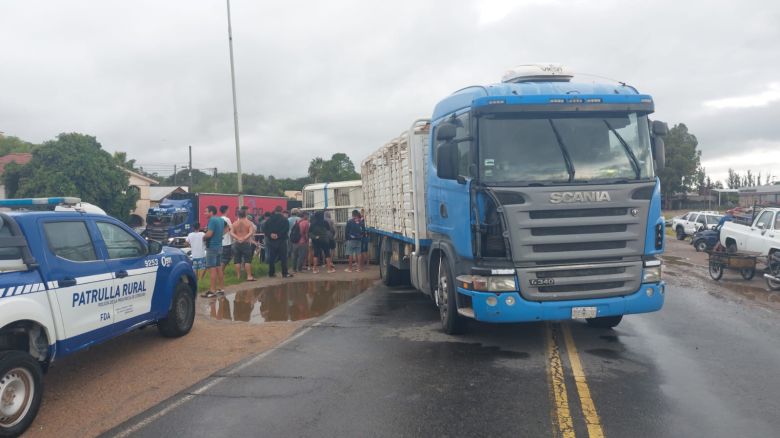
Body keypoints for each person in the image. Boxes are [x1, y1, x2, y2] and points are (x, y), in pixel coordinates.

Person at [263, 205, 292, 278]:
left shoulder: (269, 219)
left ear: (275, 211)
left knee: (272, 257)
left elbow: (265, 229)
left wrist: (270, 235)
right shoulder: (284, 219)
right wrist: (278, 235)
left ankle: (271, 273)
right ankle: (284, 273)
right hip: (281, 241)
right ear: (281, 211)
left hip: (271, 241)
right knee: (283, 257)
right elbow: (286, 229)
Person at [202, 205, 225, 298]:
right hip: (219, 246)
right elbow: (224, 230)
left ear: (211, 212)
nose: (204, 213)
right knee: (219, 268)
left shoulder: (212, 220)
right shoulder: (220, 220)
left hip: (212, 247)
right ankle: (221, 289)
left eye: (206, 211)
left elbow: (209, 234)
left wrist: (203, 236)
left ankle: (212, 290)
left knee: (212, 269)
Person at [231, 208, 256, 281]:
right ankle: (249, 276)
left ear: (238, 215)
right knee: (247, 260)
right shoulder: (249, 223)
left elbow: (231, 232)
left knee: (237, 260)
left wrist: (238, 238)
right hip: (246, 243)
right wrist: (244, 238)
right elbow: (251, 232)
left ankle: (238, 276)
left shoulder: (234, 223)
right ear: (245, 214)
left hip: (237, 243)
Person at [219, 205, 233, 274]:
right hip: (226, 242)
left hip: (220, 242)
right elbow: (231, 229)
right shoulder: (227, 219)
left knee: (222, 259)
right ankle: (221, 273)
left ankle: (221, 272)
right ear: (226, 210)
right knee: (225, 259)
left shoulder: (219, 219)